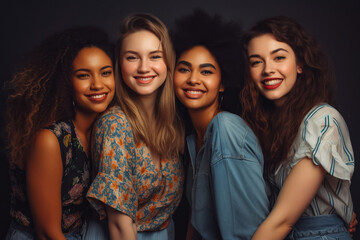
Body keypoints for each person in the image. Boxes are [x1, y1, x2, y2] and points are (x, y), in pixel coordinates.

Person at [240, 16, 355, 239]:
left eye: (279, 57)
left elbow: (282, 221)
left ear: (300, 64)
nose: (267, 69)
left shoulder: (323, 121)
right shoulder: (263, 126)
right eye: (256, 61)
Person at [5, 26, 115, 239]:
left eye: (105, 72)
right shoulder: (50, 140)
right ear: (67, 83)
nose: (98, 84)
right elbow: (47, 233)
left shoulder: (105, 129)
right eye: (84, 75)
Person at [172, 9, 269, 239]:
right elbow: (197, 221)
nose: (193, 79)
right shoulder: (191, 139)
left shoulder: (227, 129)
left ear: (223, 83)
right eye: (184, 69)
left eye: (206, 71)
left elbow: (245, 230)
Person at [86, 13, 185, 240]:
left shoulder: (172, 123)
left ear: (168, 61)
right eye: (132, 57)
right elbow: (120, 228)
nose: (143, 67)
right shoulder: (114, 124)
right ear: (119, 63)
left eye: (155, 56)